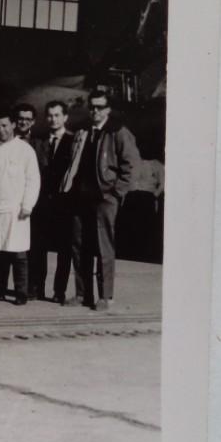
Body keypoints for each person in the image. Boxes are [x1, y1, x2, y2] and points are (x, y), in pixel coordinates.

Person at [60, 89, 141, 311]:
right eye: (92, 107)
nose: (95, 111)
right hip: (80, 198)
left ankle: (106, 296)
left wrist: (116, 193)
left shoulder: (118, 132)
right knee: (79, 246)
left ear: (108, 109)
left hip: (104, 198)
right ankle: (82, 294)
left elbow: (131, 166)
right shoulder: (83, 130)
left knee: (104, 247)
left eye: (100, 107)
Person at [0, 112, 41, 305]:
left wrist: (27, 205)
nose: (1, 130)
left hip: (16, 210)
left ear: (13, 125)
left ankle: (21, 293)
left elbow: (33, 180)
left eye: (5, 125)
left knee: (18, 254)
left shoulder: (25, 150)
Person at [30, 100, 74, 302]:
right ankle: (36, 288)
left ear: (65, 117)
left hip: (64, 204)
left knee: (64, 249)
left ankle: (59, 291)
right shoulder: (38, 141)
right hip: (41, 203)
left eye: (57, 115)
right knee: (38, 247)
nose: (53, 119)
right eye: (49, 115)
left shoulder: (75, 141)